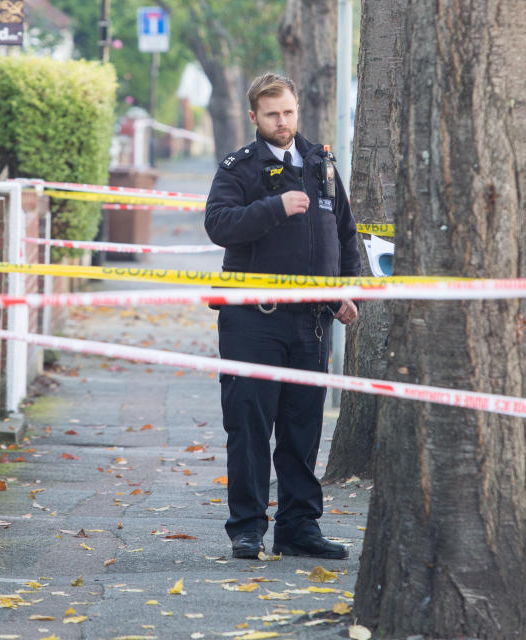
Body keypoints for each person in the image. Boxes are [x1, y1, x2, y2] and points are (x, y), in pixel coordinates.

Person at [204, 72, 361, 560]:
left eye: (289, 112)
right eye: (272, 114)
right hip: (254, 319)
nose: (283, 122)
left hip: (310, 322)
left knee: (302, 428)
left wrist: (346, 291)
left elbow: (345, 234)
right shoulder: (240, 168)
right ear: (255, 117)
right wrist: (275, 207)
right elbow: (219, 224)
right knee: (249, 426)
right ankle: (247, 528)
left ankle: (298, 528)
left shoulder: (321, 163)